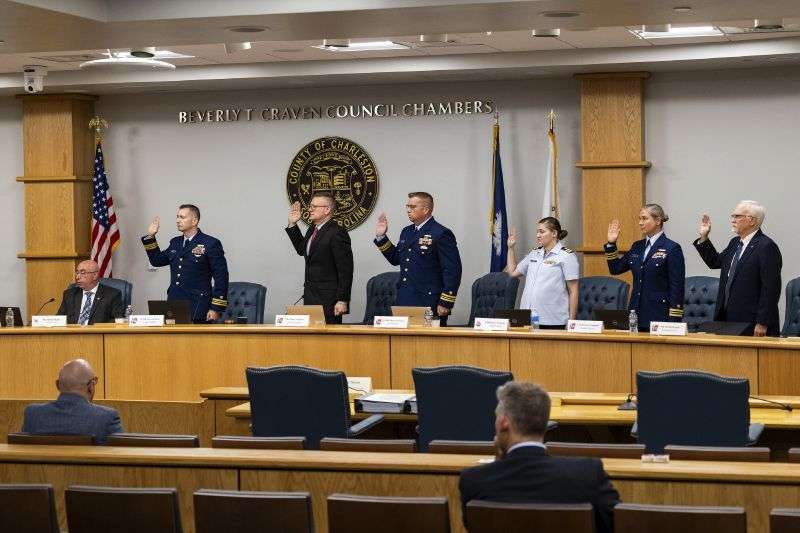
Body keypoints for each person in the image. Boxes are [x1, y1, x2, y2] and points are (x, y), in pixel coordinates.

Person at [459, 381, 620, 533]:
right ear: (544, 422)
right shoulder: (588, 475)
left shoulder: (474, 481)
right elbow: (619, 523)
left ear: (503, 423)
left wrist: (498, 463)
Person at [694, 200, 782, 337]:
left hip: (752, 323)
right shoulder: (735, 243)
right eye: (732, 216)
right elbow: (715, 262)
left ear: (752, 220)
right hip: (727, 319)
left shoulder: (766, 246)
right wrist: (704, 237)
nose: (732, 220)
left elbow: (771, 289)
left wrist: (763, 322)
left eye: (737, 216)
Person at [374, 192, 462, 325]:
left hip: (429, 301)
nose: (408, 210)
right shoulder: (407, 231)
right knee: (402, 344)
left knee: (428, 344)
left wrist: (446, 302)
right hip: (405, 299)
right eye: (407, 206)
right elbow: (396, 259)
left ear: (426, 209)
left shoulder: (441, 233)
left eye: (413, 206)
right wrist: (381, 237)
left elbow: (452, 269)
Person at [141, 204, 229, 323]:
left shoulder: (210, 243)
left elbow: (221, 278)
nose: (177, 220)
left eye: (182, 217)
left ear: (194, 221)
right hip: (174, 304)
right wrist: (151, 236)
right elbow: (157, 260)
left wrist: (216, 308)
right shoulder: (175, 243)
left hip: (198, 306)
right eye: (177, 217)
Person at [605, 204, 685, 330]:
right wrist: (611, 243)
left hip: (659, 316)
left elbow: (677, 287)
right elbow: (615, 268)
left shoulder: (672, 248)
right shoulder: (637, 246)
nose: (640, 223)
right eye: (639, 219)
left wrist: (674, 321)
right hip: (635, 315)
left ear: (658, 220)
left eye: (644, 218)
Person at [285, 192, 354, 324]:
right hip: (311, 296)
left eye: (314, 206)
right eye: (310, 206)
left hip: (330, 300)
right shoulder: (313, 229)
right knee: (311, 340)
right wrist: (293, 224)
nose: (310, 209)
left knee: (328, 341)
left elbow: (345, 270)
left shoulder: (337, 232)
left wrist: (342, 300)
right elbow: (302, 250)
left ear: (327, 209)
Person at [21, 359, 123, 444]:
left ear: (57, 385)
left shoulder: (32, 414)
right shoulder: (107, 417)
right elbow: (123, 457)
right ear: (91, 386)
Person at [505, 217, 578, 329]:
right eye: (537, 231)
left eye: (542, 231)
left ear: (554, 233)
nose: (538, 235)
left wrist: (572, 321)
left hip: (552, 320)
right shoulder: (534, 253)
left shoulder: (567, 256)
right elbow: (513, 272)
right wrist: (510, 248)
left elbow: (573, 290)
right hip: (527, 317)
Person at [56, 259, 123, 324]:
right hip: (73, 333)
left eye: (82, 273)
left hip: (98, 333)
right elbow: (59, 319)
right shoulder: (70, 294)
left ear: (95, 275)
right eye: (77, 273)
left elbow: (118, 320)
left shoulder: (112, 294)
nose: (77, 277)